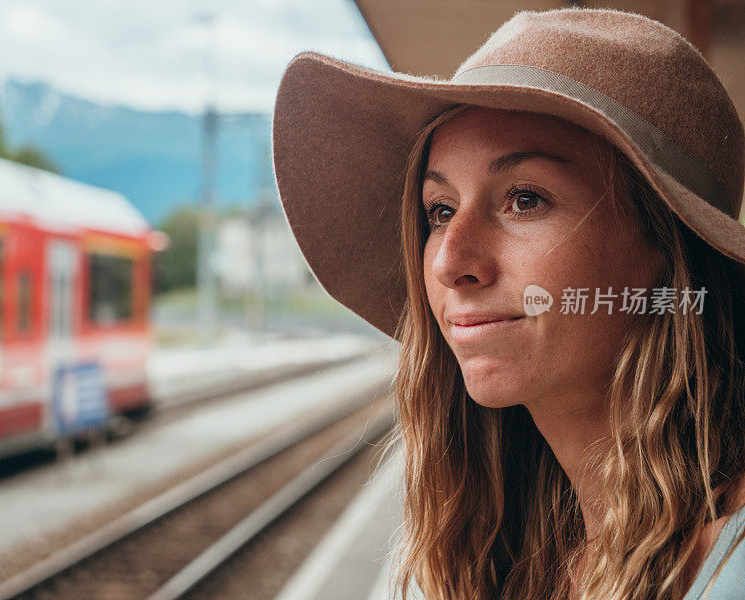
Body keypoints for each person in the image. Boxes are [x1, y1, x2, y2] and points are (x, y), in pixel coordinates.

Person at [272, 7, 745, 600]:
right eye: (439, 212)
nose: (449, 263)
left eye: (524, 199)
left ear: (667, 248)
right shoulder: (478, 557)